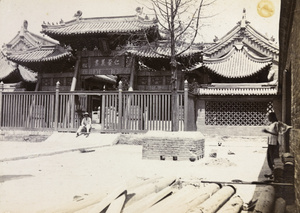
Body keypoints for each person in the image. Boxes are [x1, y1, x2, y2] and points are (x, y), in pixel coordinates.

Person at [262, 112, 279, 178]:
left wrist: (268, 132)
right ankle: (272, 172)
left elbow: (278, 134)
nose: (268, 118)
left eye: (269, 117)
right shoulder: (271, 124)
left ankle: (274, 174)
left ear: (272, 117)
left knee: (273, 159)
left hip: (274, 143)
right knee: (269, 158)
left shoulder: (276, 124)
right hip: (270, 143)